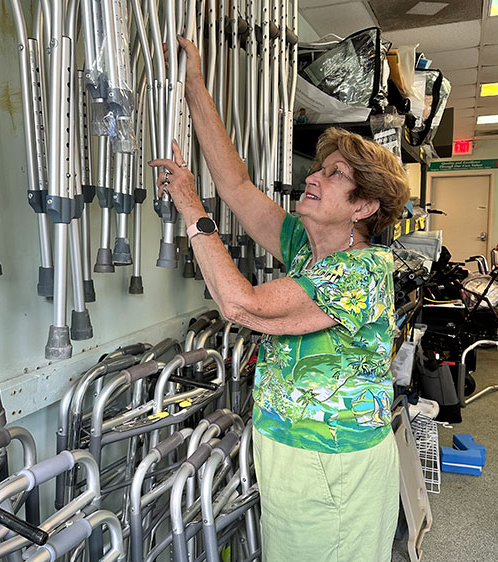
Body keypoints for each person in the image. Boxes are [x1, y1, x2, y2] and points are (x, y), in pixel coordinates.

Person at [150, 36, 410, 562]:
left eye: (336, 175)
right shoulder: (304, 247)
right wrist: (194, 86)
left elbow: (241, 304)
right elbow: (238, 185)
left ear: (364, 207)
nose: (313, 176)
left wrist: (191, 210)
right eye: (320, 168)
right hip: (292, 456)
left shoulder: (359, 273)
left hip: (334, 468)